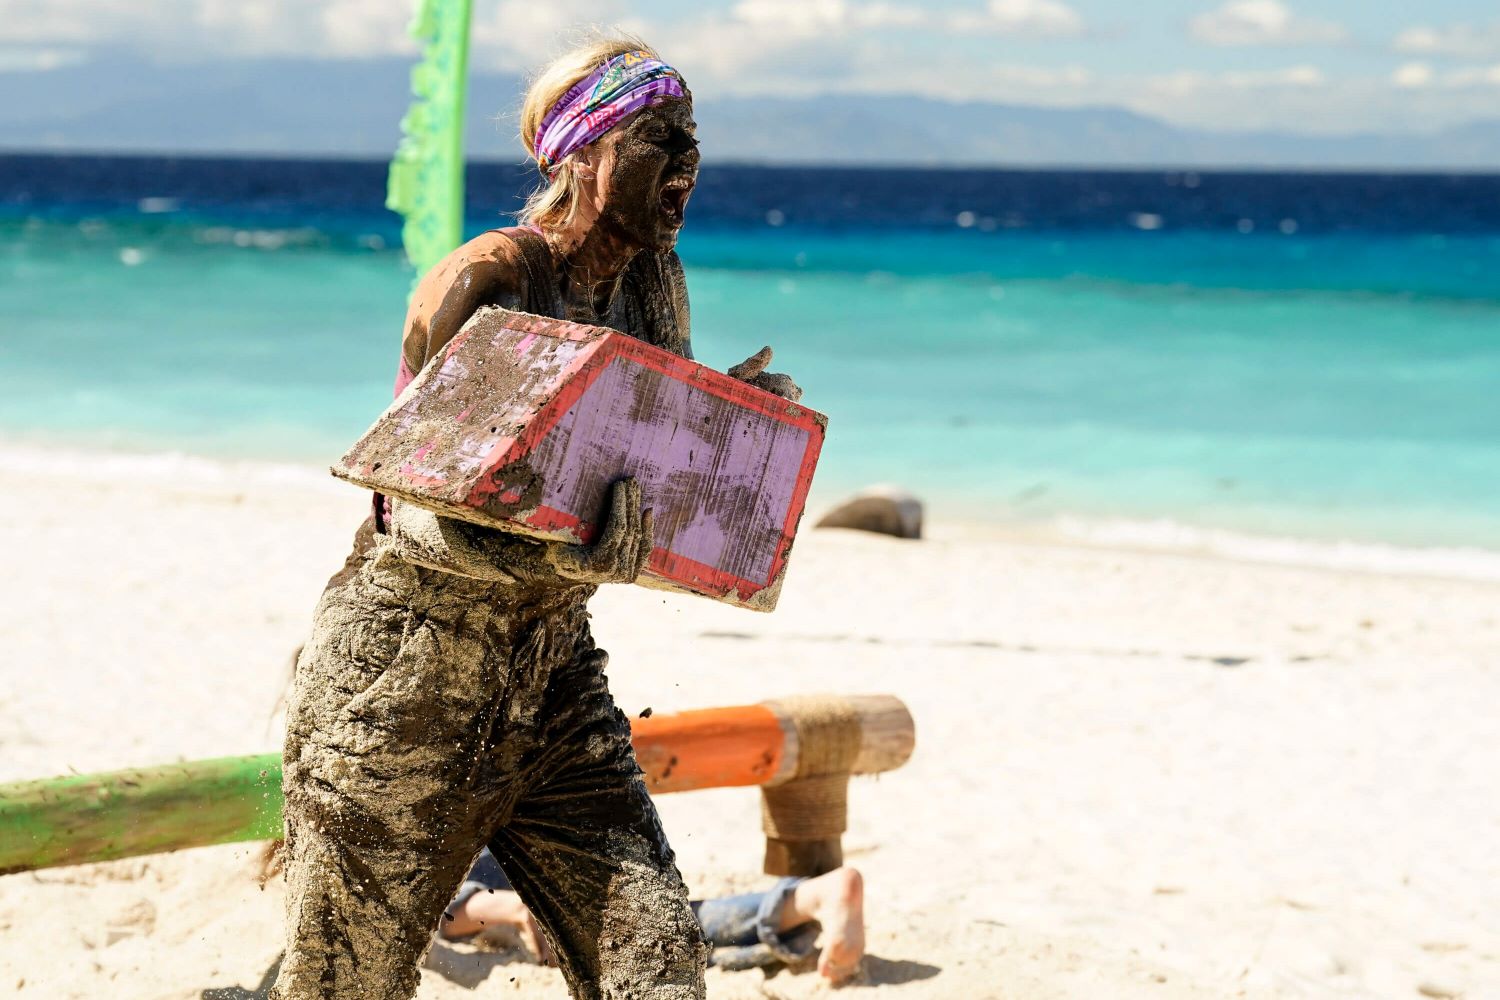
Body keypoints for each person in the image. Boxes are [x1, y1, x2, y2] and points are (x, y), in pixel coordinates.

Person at [270, 37, 801, 1000]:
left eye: (692, 138)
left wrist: (719, 429)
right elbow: (410, 508)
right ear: (583, 151)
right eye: (658, 137)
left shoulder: (650, 286)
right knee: (344, 987)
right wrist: (561, 553)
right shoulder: (488, 281)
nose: (685, 161)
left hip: (552, 672)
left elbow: (614, 460)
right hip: (404, 675)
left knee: (658, 961)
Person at [439, 851, 866, 984]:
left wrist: (515, 908)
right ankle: (807, 899)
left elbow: (448, 913)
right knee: (672, 924)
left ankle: (807, 901)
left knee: (666, 938)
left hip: (514, 888)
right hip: (571, 847)